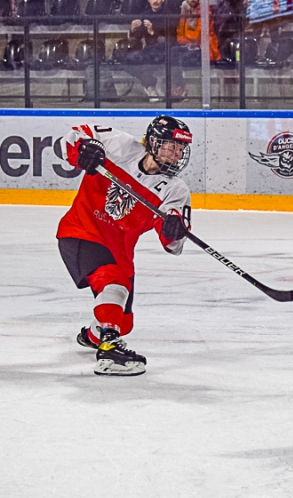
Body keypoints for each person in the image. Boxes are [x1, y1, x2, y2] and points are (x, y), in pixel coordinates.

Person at [56, 115, 193, 377]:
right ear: (154, 142)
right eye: (172, 146)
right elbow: (72, 138)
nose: (177, 154)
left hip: (119, 252)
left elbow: (174, 246)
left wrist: (172, 230)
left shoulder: (175, 190)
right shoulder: (118, 144)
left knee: (123, 321)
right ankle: (109, 350)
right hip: (81, 230)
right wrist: (83, 151)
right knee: (114, 283)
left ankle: (94, 335)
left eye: (181, 149)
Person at [124, 0, 180, 101]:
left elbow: (169, 40)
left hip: (164, 51)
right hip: (149, 51)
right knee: (127, 60)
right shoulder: (145, 14)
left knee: (145, 63)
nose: (155, 1)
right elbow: (136, 38)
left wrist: (152, 32)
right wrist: (132, 29)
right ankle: (151, 83)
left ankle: (150, 86)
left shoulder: (169, 15)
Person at [170, 0, 221, 97]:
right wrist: (188, 41)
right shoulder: (185, 10)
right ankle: (179, 85)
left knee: (178, 58)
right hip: (189, 47)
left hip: (205, 49)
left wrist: (188, 37)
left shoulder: (205, 10)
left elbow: (198, 35)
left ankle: (180, 88)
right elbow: (180, 36)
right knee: (173, 52)